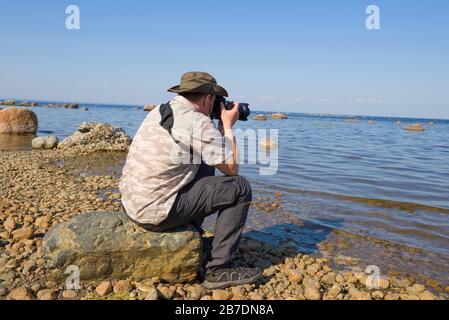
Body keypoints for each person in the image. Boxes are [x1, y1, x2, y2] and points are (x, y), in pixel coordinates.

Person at [119, 71, 262, 289]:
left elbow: (210, 155)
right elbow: (232, 169)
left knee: (205, 160)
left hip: (133, 202)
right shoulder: (196, 122)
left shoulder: (162, 109)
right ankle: (218, 270)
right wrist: (227, 127)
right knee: (240, 187)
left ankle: (192, 236)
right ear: (208, 97)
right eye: (217, 100)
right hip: (154, 211)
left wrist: (216, 129)